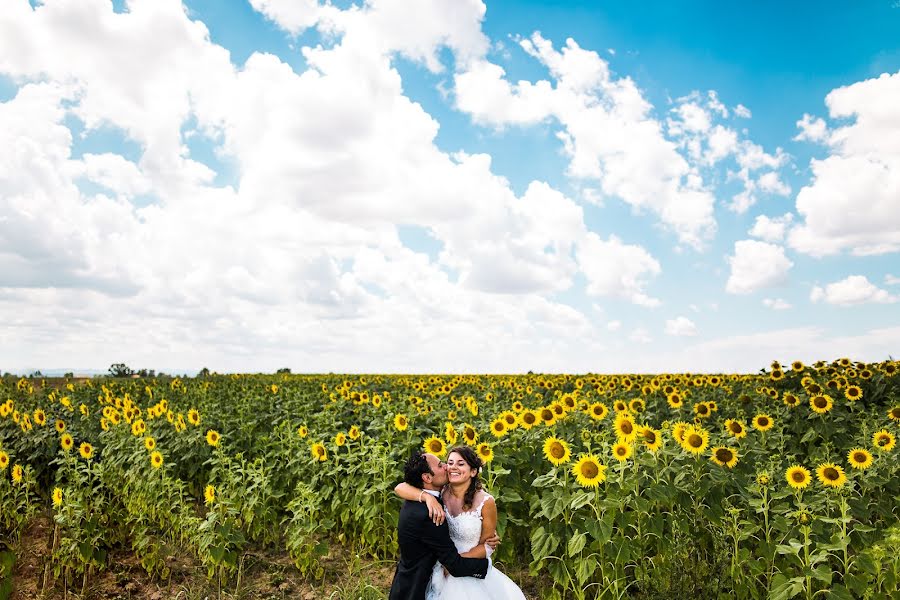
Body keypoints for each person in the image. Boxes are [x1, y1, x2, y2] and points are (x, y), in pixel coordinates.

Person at [395, 446, 526, 600]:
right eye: (449, 463)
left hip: (465, 567)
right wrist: (426, 497)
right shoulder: (441, 493)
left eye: (460, 463)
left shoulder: (486, 502)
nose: (451, 467)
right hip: (442, 566)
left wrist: (455, 563)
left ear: (473, 471)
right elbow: (399, 487)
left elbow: (487, 546)